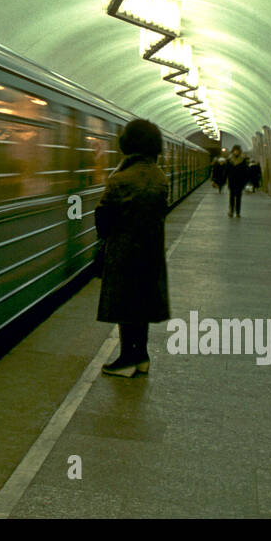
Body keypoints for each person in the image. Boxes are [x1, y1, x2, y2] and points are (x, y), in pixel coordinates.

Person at [94, 118, 171, 377]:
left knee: (125, 307)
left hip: (125, 253)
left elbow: (103, 218)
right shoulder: (160, 178)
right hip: (151, 252)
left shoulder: (121, 179)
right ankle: (142, 356)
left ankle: (126, 359)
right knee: (143, 306)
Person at [226, 145, 250, 217]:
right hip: (231, 181)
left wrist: (245, 181)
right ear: (233, 151)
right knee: (232, 197)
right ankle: (231, 211)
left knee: (239, 198)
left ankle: (238, 212)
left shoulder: (243, 161)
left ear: (239, 152)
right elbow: (226, 171)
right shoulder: (229, 160)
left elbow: (246, 172)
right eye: (235, 151)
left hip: (240, 182)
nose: (236, 152)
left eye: (237, 151)